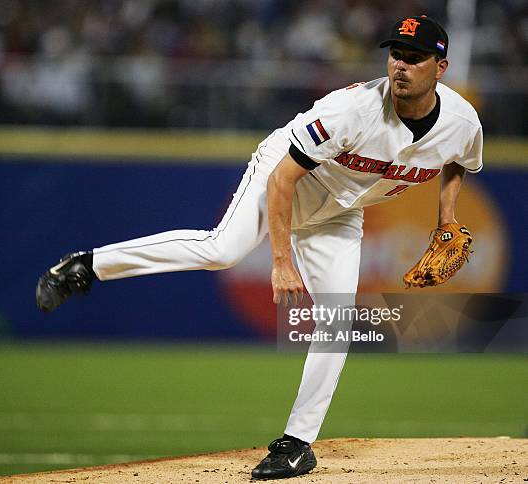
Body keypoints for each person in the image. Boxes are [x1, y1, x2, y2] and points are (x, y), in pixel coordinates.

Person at [36, 16, 482, 480]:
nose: (401, 66)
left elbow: (457, 162)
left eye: (414, 57)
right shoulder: (352, 110)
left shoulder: (462, 121)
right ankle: (87, 266)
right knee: (221, 251)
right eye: (396, 54)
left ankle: (297, 443)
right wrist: (281, 260)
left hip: (342, 210)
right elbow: (284, 178)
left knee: (337, 322)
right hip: (290, 177)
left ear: (441, 67)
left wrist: (446, 219)